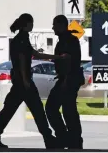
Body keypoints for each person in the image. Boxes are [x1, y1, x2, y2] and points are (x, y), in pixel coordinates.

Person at [0, 13, 67, 149]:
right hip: (24, 83)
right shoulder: (22, 39)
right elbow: (23, 60)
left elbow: (35, 54)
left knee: (9, 111)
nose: (33, 25)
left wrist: (57, 57)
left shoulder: (21, 38)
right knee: (37, 111)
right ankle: (48, 139)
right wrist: (25, 80)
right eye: (32, 23)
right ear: (26, 24)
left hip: (20, 82)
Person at [45, 15, 84, 149]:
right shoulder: (65, 40)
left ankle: (68, 138)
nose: (53, 28)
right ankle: (71, 139)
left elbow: (69, 61)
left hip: (68, 79)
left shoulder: (68, 41)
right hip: (67, 79)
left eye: (54, 25)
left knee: (58, 108)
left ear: (61, 25)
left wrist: (65, 80)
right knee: (67, 109)